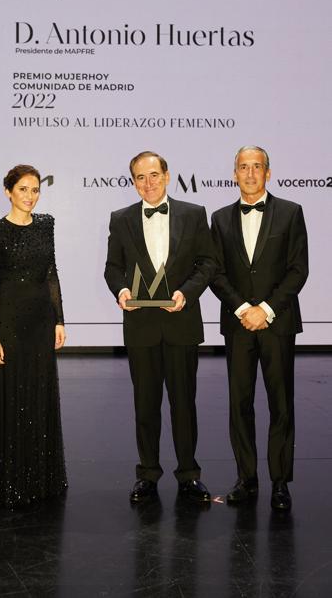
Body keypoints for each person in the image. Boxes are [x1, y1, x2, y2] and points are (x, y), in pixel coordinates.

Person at [104, 151, 215, 503]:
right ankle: (148, 474)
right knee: (145, 405)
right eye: (140, 177)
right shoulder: (120, 219)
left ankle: (189, 474)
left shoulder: (193, 214)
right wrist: (121, 290)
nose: (147, 183)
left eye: (154, 175)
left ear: (167, 176)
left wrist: (187, 292)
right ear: (133, 181)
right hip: (141, 326)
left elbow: (208, 262)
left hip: (182, 322)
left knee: (184, 404)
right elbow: (112, 267)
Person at [210, 145, 308, 511]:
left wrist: (264, 309)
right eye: (242, 167)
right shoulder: (219, 219)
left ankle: (280, 482)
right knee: (240, 404)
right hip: (237, 326)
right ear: (234, 173)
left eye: (257, 167)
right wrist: (241, 309)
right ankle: (246, 479)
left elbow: (298, 269)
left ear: (268, 172)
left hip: (277, 323)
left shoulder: (291, 213)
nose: (249, 174)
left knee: (282, 405)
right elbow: (215, 272)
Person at [0, 164, 67, 508]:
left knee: (39, 396)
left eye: (35, 190)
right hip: (9, 325)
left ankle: (41, 477)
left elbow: (51, 273)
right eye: (23, 190)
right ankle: (10, 480)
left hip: (41, 323)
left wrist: (60, 319)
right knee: (10, 398)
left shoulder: (46, 225)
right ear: (8, 192)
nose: (30, 196)